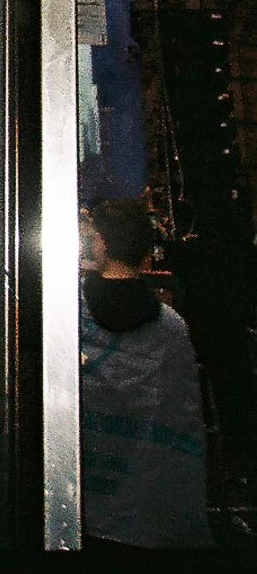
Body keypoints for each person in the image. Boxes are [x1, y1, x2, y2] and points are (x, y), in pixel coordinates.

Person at [80, 198, 211, 549]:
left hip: (77, 506)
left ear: (100, 244)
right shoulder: (172, 329)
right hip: (149, 515)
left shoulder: (69, 314)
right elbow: (183, 423)